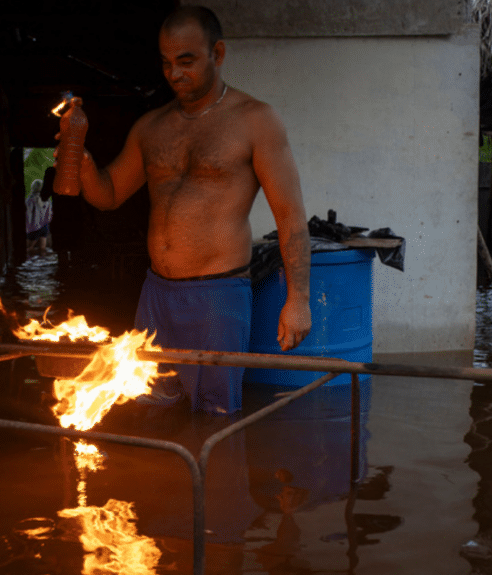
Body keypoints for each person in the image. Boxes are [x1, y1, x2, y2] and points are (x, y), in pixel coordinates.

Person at [61, 5, 311, 415]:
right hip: (156, 293)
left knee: (215, 415)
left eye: (186, 61)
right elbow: (108, 195)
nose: (174, 74)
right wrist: (83, 162)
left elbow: (290, 216)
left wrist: (297, 300)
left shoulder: (256, 121)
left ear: (218, 53)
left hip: (217, 296)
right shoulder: (151, 127)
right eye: (165, 62)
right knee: (146, 407)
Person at [25, 178, 53, 256]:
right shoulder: (47, 200)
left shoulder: (30, 199)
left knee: (28, 250)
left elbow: (28, 214)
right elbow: (50, 214)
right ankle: (42, 265)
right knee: (42, 250)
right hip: (45, 227)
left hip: (33, 227)